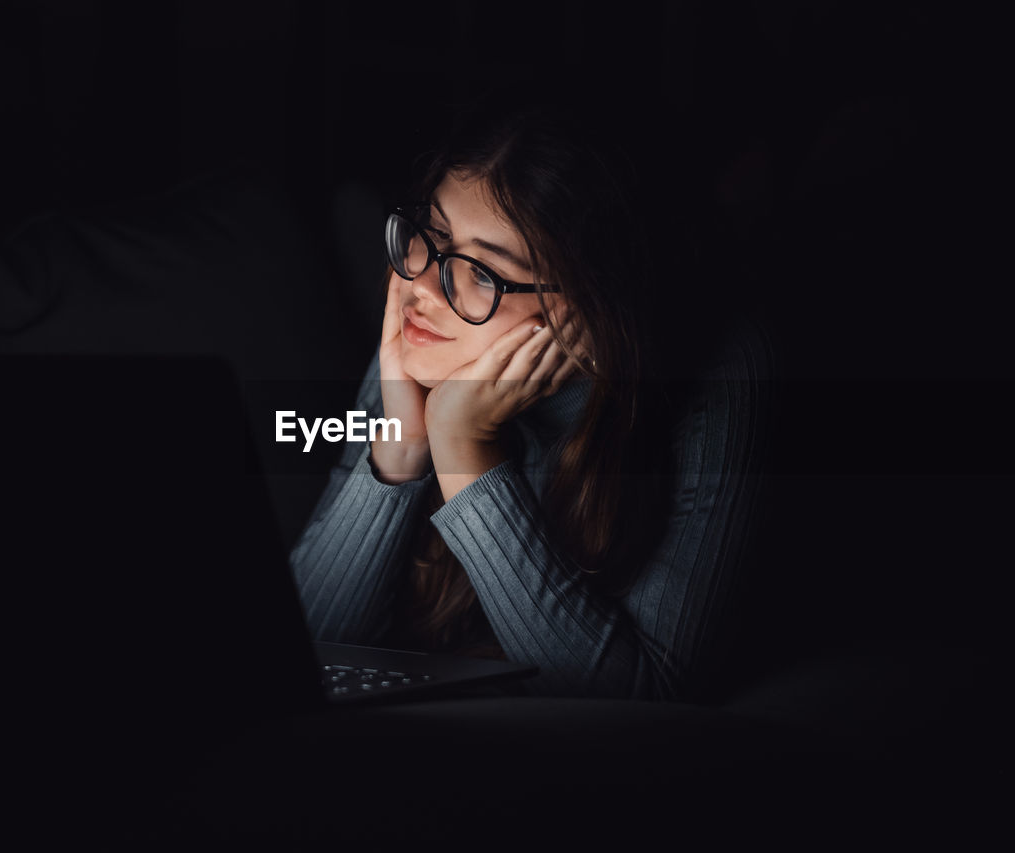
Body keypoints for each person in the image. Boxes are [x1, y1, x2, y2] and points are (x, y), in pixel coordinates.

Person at [289, 87, 754, 700]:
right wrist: (400, 446)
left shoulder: (721, 375)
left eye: (482, 271)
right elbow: (304, 649)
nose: (421, 285)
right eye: (430, 233)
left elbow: (644, 704)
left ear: (592, 308)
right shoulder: (422, 336)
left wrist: (465, 448)